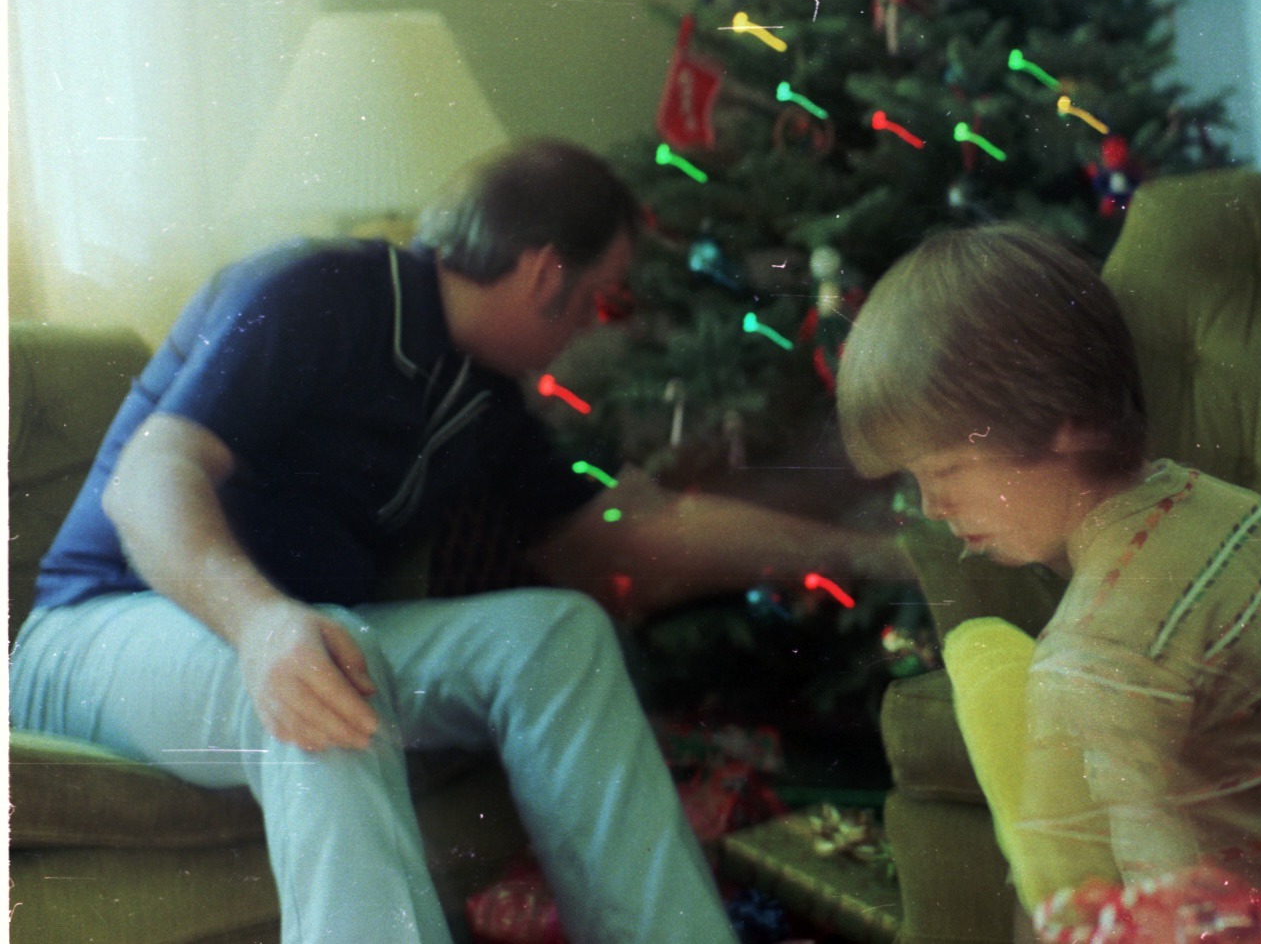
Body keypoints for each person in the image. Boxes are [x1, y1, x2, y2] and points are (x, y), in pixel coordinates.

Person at [10, 139, 907, 944]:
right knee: (328, 654)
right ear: (546, 274)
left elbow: (630, 534)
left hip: (294, 633)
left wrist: (871, 555)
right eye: (598, 298)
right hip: (94, 638)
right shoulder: (315, 290)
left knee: (560, 636)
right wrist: (262, 625)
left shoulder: (486, 396)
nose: (592, 325)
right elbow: (148, 476)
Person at [834, 224, 1261, 916]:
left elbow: (1147, 922)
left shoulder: (1088, 661)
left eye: (948, 469)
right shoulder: (1249, 519)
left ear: (1064, 419)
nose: (933, 506)